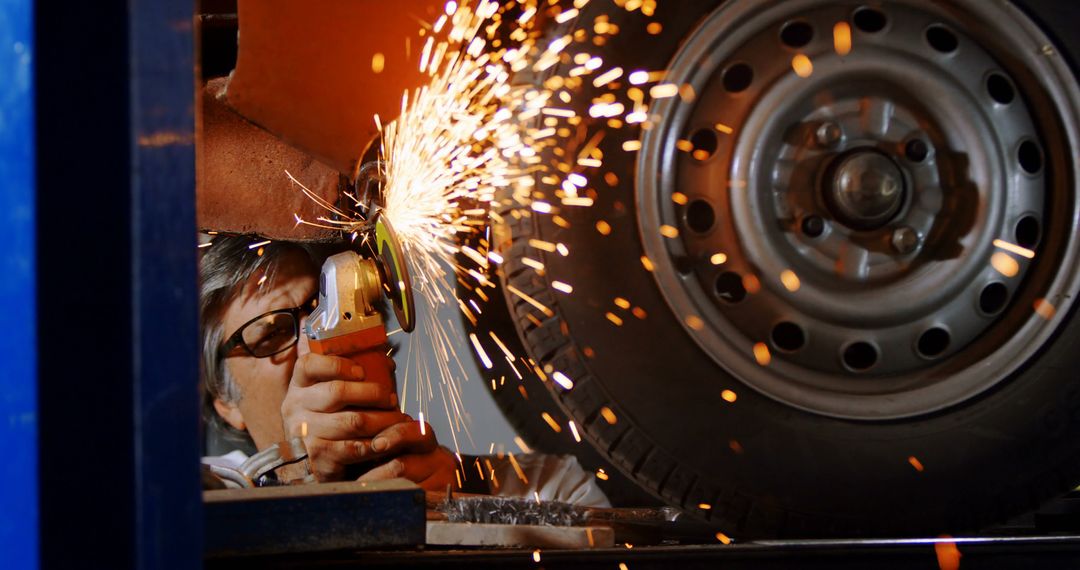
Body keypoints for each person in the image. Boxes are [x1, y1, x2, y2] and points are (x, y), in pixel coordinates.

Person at [200, 235, 609, 506]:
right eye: (272, 332)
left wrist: (462, 510)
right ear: (222, 398)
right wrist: (302, 490)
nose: (311, 341)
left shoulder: (544, 492)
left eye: (325, 307)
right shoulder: (203, 503)